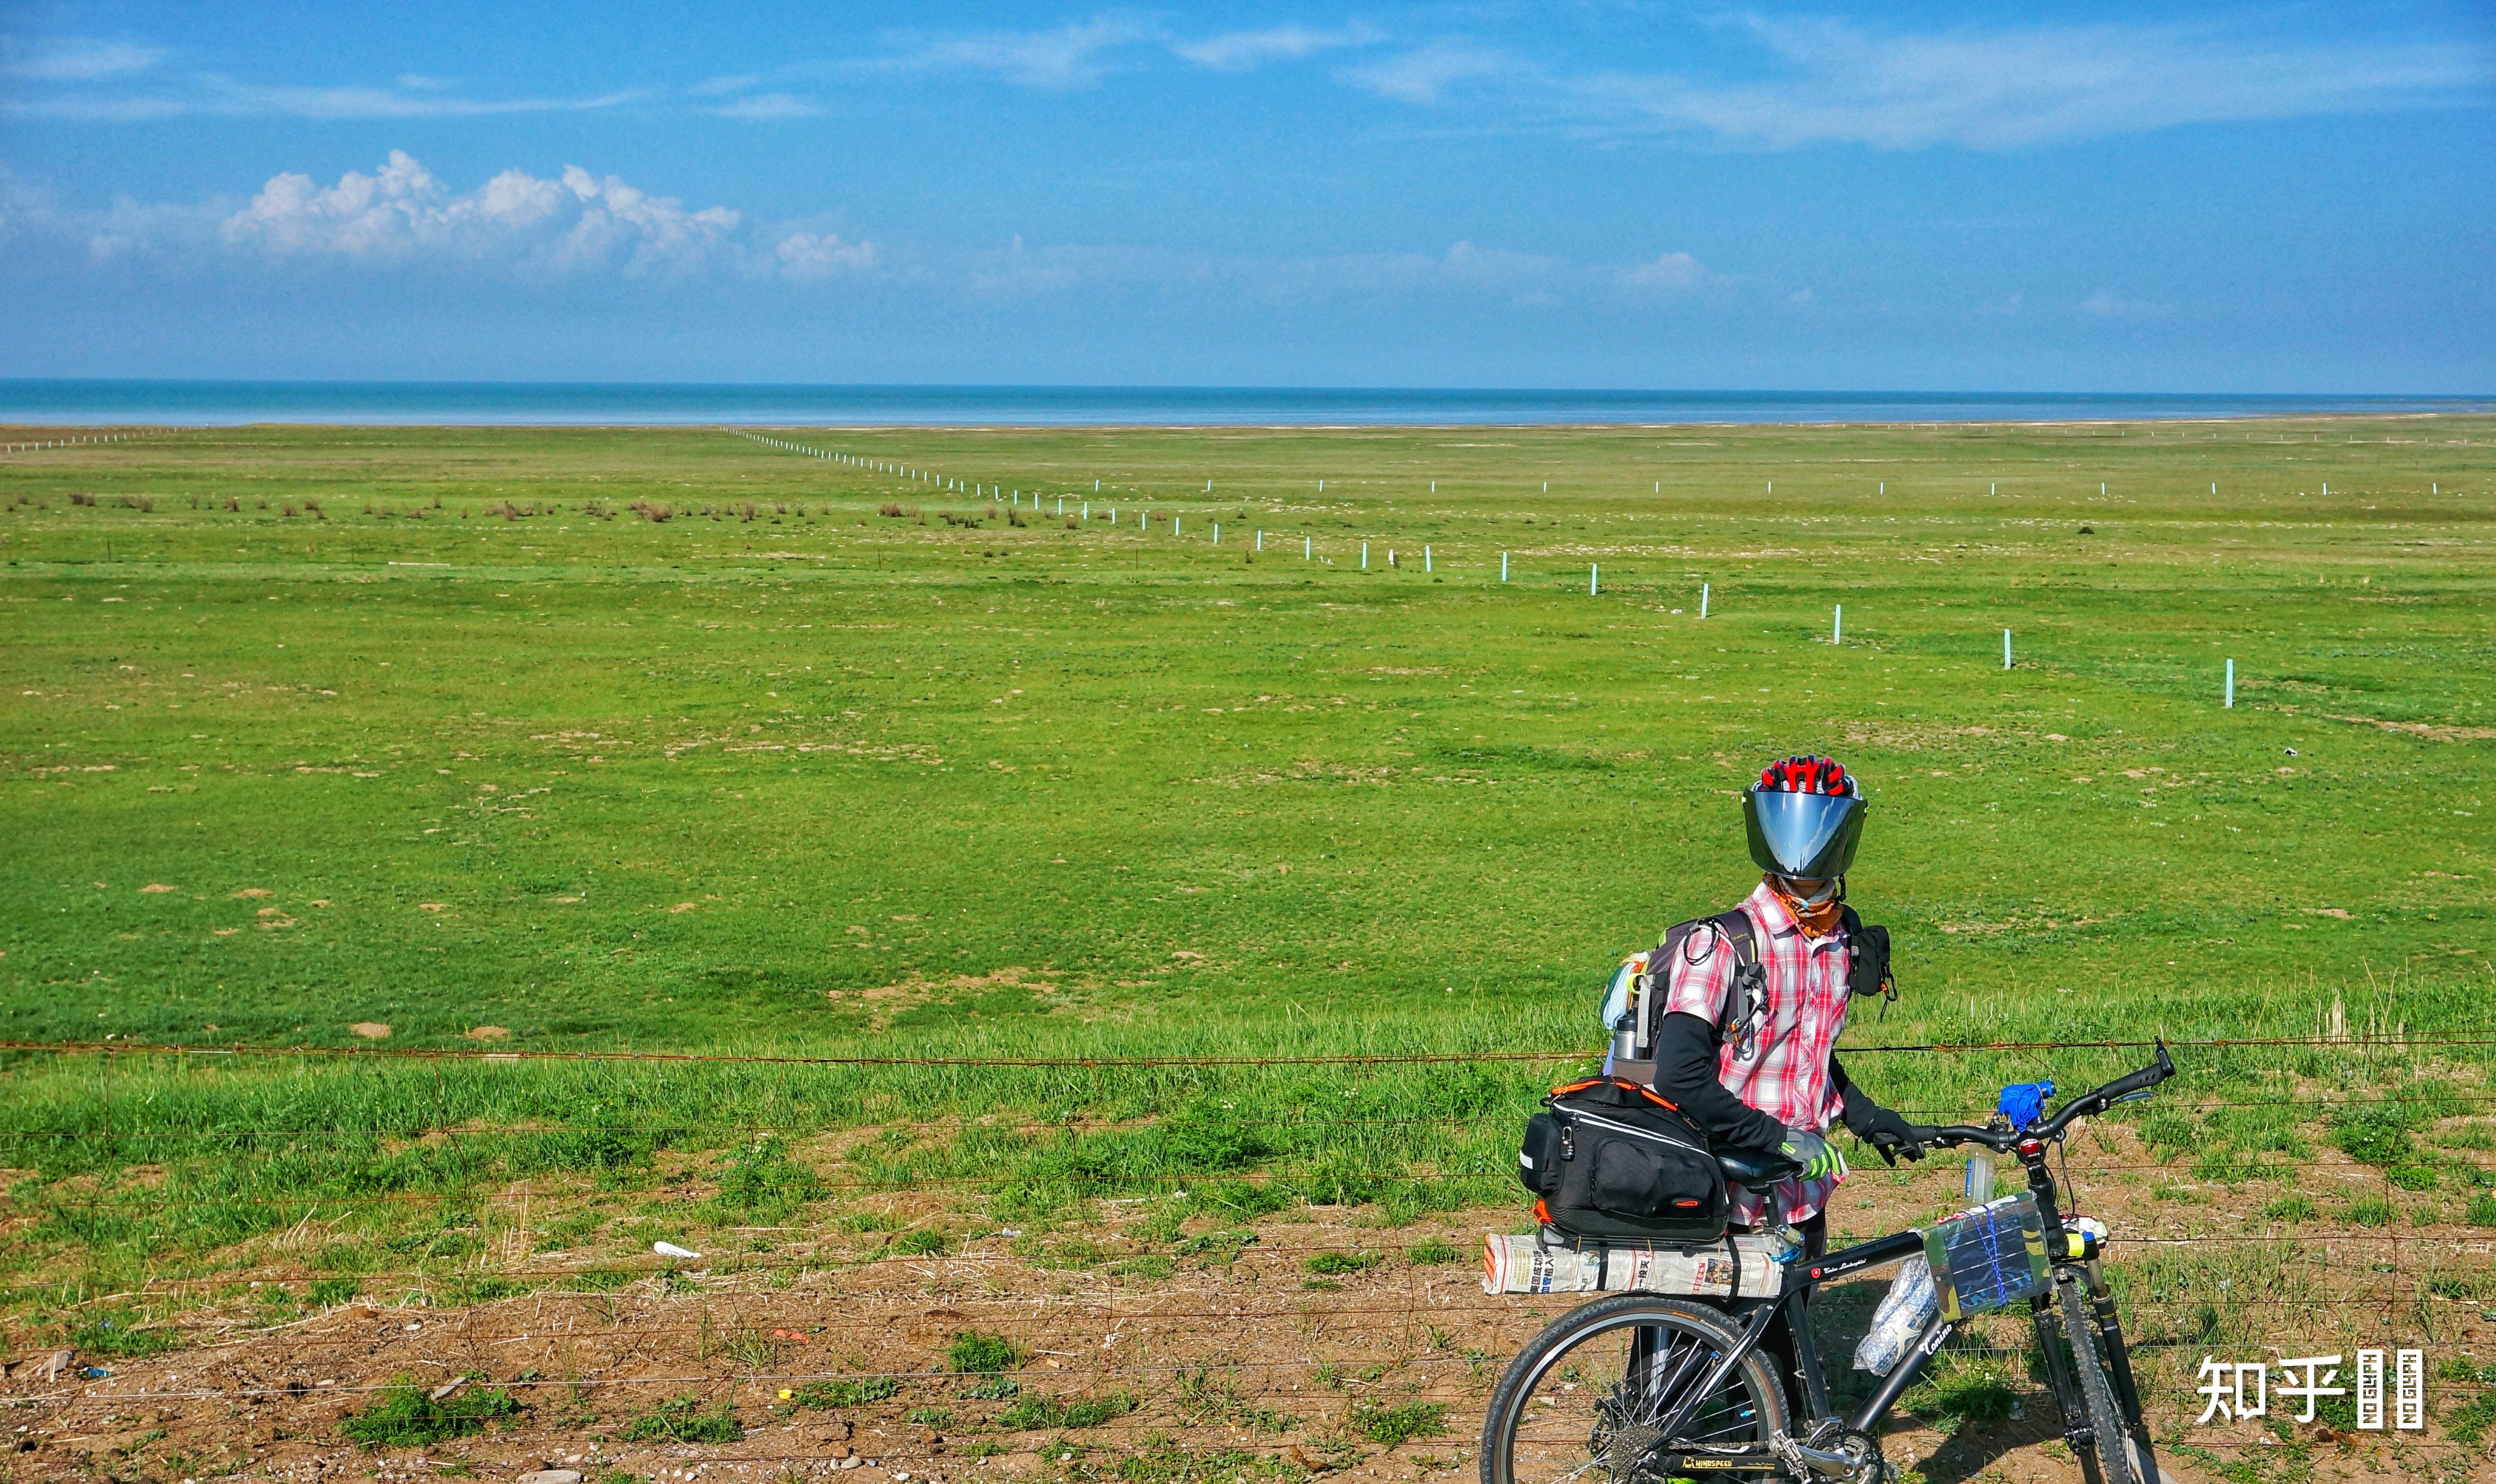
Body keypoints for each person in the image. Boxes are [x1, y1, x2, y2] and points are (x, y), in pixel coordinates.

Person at [1648, 754, 1923, 1256]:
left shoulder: (1841, 939)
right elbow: (1679, 1077)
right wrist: (1778, 1138)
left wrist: (1865, 1116)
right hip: (1718, 1200)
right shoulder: (1721, 943)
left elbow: (1803, 1047)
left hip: (1799, 1198)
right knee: (1701, 1335)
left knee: (1787, 1337)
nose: (1804, 848)